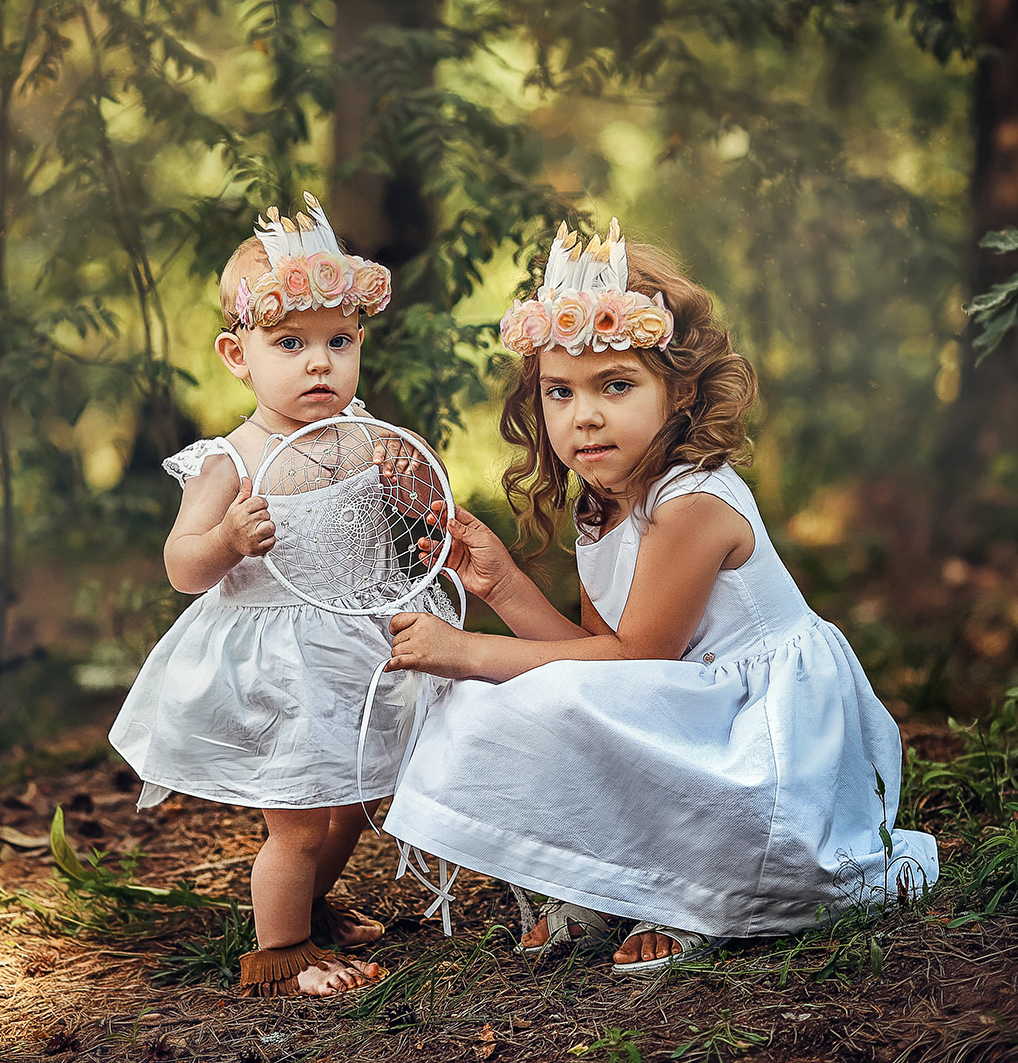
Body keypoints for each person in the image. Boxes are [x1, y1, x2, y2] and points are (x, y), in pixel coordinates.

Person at [381, 221, 938, 973]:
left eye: (616, 385)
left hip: (761, 727)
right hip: (688, 699)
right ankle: (602, 878)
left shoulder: (691, 502)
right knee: (500, 700)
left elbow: (635, 657)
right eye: (560, 392)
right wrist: (503, 584)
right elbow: (594, 662)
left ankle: (696, 893)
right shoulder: (601, 501)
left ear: (677, 393)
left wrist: (467, 649)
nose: (585, 415)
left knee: (496, 683)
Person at [109, 194, 453, 997]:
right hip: (281, 661)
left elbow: (425, 507)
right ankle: (283, 949)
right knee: (298, 817)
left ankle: (313, 902)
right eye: (290, 343)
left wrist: (415, 495)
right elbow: (181, 563)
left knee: (358, 795)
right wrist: (225, 539)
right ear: (238, 354)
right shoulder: (231, 458)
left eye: (339, 341)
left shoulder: (371, 439)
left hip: (361, 647)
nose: (319, 363)